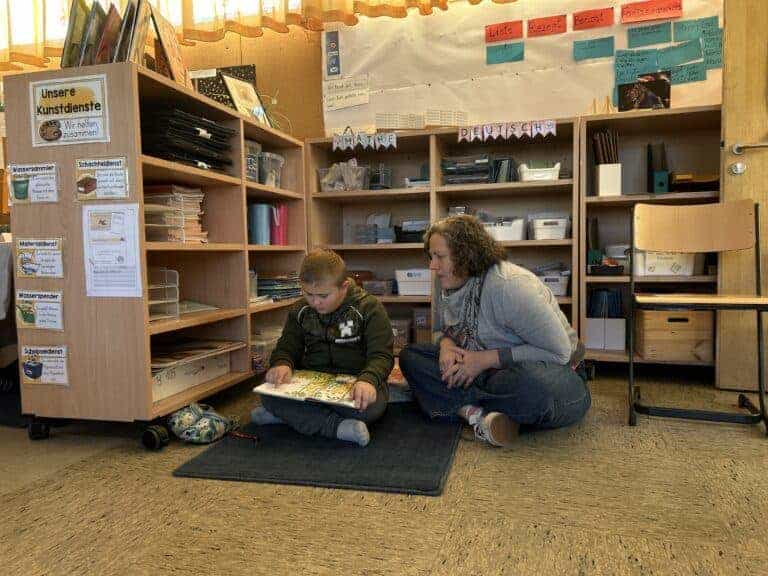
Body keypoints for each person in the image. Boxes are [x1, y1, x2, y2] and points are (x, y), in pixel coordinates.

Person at [399, 215, 590, 447]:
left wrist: (484, 359)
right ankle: (481, 414)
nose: (432, 266)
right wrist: (447, 348)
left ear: (466, 255)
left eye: (439, 256)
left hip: (553, 370)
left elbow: (559, 352)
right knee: (410, 357)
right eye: (431, 257)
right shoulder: (448, 282)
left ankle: (461, 405)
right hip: (485, 369)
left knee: (534, 390)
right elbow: (448, 331)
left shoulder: (509, 286)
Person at [251, 249, 394, 447]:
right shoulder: (301, 310)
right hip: (311, 384)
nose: (315, 302)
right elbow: (287, 346)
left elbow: (382, 355)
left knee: (369, 409)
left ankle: (292, 418)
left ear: (344, 287)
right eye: (308, 294)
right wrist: (282, 364)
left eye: (323, 295)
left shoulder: (369, 308)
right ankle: (336, 427)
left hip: (356, 383)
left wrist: (369, 381)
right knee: (267, 394)